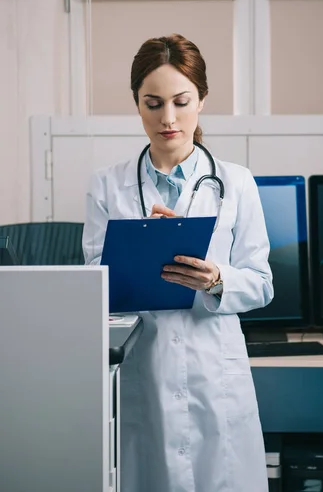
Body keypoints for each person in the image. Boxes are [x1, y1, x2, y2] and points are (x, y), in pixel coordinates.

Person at [82, 33, 274, 492]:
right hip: (141, 370)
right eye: (153, 104)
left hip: (215, 370)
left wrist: (216, 278)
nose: (168, 119)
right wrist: (135, 255)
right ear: (137, 105)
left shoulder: (236, 183)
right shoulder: (107, 187)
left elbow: (262, 283)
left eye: (181, 101)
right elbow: (94, 286)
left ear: (201, 100)